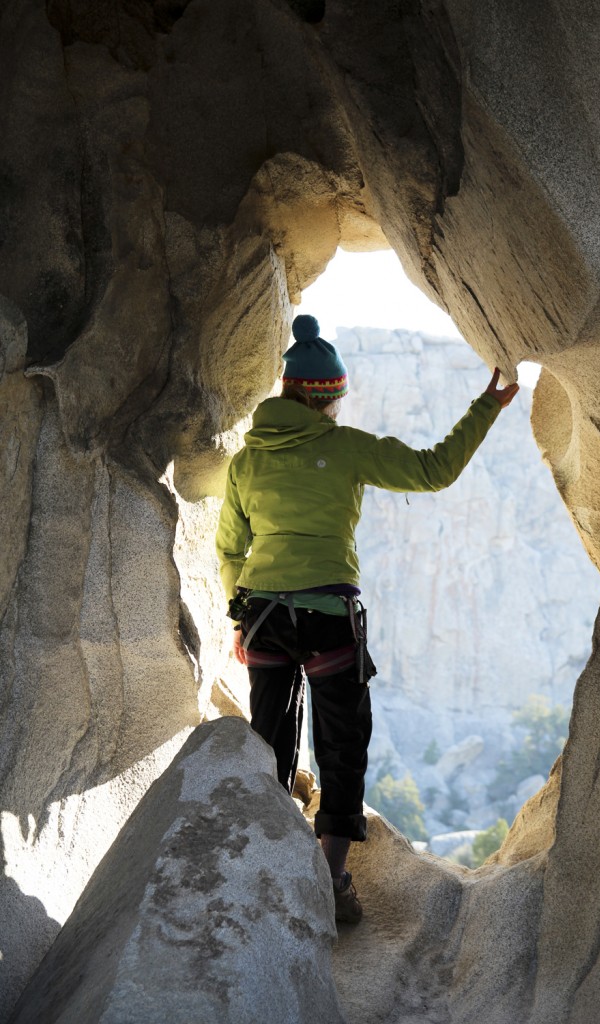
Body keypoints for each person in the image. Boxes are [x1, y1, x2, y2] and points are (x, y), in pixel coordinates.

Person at [216, 313, 518, 923]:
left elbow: (230, 549)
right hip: (329, 618)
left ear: (285, 390)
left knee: (269, 742)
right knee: (342, 744)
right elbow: (434, 469)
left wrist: (236, 619)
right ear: (328, 397)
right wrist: (488, 406)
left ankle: (267, 868)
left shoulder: (246, 461)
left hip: (266, 617)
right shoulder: (346, 448)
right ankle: (331, 881)